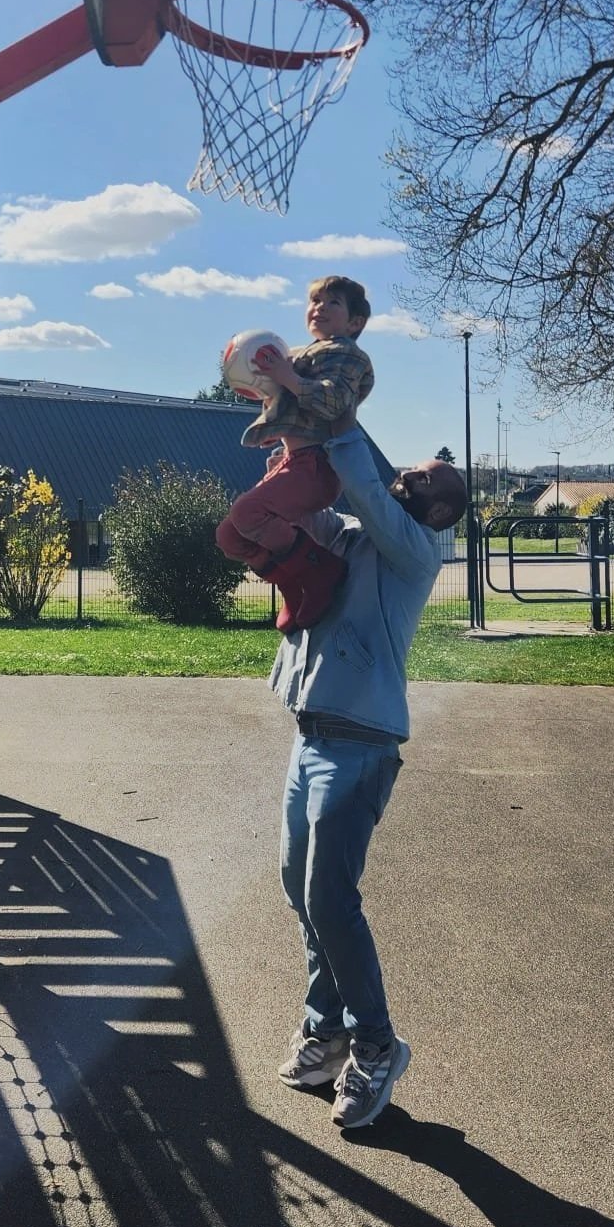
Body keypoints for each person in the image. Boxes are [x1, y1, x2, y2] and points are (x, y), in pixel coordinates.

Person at [269, 423, 467, 1130]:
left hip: (359, 746)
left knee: (330, 897)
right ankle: (325, 1033)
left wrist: (332, 420)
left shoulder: (416, 550)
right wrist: (291, 458)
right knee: (302, 890)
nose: (406, 480)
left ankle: (377, 1044)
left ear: (439, 512)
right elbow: (308, 514)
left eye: (422, 481)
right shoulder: (358, 537)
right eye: (411, 472)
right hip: (310, 736)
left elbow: (365, 490)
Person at [215, 276, 376, 631]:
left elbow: (333, 402)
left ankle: (321, 573)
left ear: (355, 322)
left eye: (332, 303)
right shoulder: (304, 354)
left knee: (248, 511)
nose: (319, 307)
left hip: (318, 466)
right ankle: (292, 585)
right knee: (230, 535)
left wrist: (287, 375)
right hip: (292, 462)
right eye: (314, 301)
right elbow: (285, 398)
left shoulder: (347, 354)